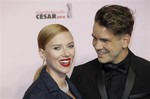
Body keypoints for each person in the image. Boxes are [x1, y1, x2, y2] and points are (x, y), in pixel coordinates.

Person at [70, 4, 150, 99]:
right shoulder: (80, 75)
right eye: (95, 38)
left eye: (105, 40)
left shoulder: (147, 72)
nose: (97, 46)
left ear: (125, 41)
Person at [23, 24, 82, 99]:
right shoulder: (36, 95)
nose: (67, 53)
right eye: (57, 48)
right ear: (43, 54)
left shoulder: (71, 84)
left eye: (70, 46)